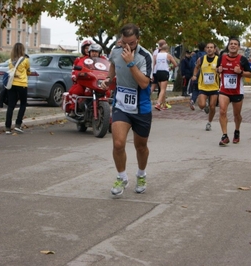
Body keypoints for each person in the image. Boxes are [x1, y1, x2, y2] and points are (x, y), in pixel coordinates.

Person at [101, 23, 153, 196]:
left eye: (131, 43)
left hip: (141, 107)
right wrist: (109, 79)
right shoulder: (116, 50)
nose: (127, 46)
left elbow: (144, 83)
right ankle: (121, 177)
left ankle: (141, 174)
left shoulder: (145, 56)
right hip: (121, 104)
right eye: (124, 42)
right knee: (118, 143)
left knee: (141, 146)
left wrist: (131, 63)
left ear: (138, 40)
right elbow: (113, 65)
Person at [216, 37, 251, 146]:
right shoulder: (222, 58)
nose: (232, 45)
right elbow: (217, 69)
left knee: (237, 114)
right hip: (224, 90)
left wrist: (240, 72)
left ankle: (237, 131)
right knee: (222, 111)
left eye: (235, 44)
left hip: (237, 91)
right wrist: (218, 70)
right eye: (231, 44)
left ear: (238, 47)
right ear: (228, 46)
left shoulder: (242, 59)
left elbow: (249, 74)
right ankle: (225, 135)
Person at [67, 43, 106, 117]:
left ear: (99, 53)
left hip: (98, 82)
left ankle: (107, 113)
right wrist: (78, 74)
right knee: (77, 91)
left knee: (107, 92)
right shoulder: (84, 60)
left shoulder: (103, 60)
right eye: (92, 51)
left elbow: (109, 68)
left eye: (96, 52)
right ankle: (73, 109)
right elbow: (78, 68)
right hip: (86, 82)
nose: (94, 53)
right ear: (90, 52)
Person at [192, 42, 220, 131]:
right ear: (205, 49)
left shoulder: (218, 59)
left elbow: (222, 70)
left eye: (211, 47)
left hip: (214, 87)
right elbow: (196, 67)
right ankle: (205, 106)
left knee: (213, 106)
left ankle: (209, 122)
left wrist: (219, 71)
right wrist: (194, 75)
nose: (209, 49)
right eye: (207, 47)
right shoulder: (201, 59)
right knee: (201, 105)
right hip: (203, 86)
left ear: (215, 49)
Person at [5, 43, 30, 134]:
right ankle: (18, 124)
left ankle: (7, 127)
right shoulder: (26, 60)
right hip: (22, 84)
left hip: (12, 84)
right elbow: (28, 71)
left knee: (11, 105)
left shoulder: (10, 61)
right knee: (23, 104)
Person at [154, 44, 178, 110]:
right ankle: (158, 103)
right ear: (167, 49)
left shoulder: (157, 55)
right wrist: (171, 68)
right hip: (164, 72)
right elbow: (175, 64)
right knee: (163, 89)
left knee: (162, 89)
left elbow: (153, 64)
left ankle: (164, 104)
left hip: (158, 72)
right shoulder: (168, 55)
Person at [189, 42, 206, 110]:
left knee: (195, 89)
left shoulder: (195, 55)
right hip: (204, 75)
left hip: (195, 75)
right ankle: (205, 103)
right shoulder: (206, 56)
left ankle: (193, 100)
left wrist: (193, 74)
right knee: (205, 90)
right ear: (205, 48)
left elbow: (191, 65)